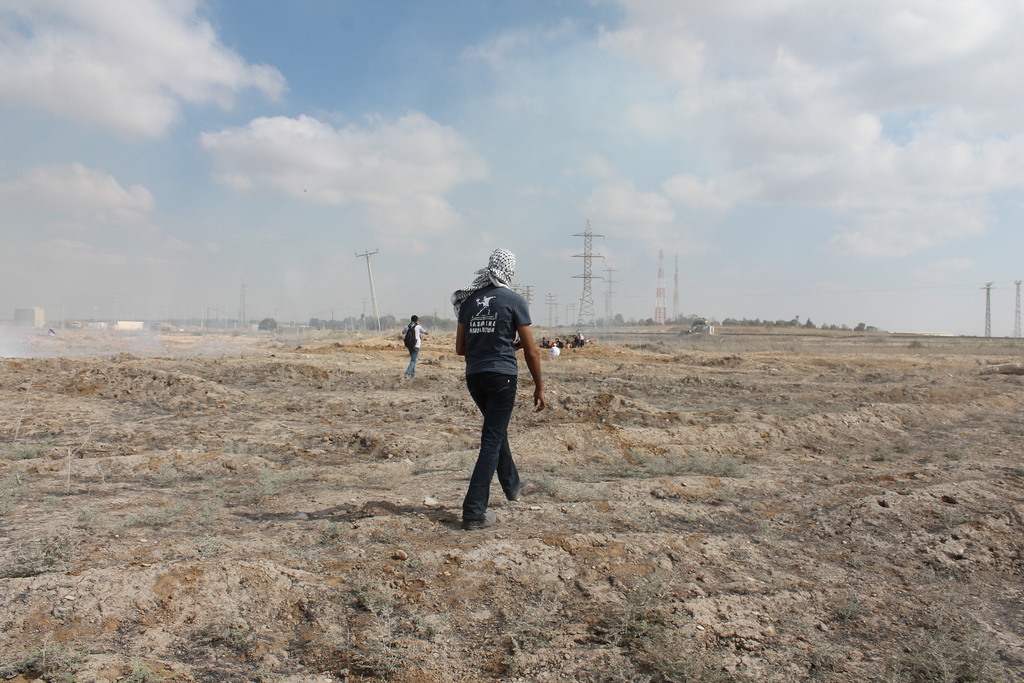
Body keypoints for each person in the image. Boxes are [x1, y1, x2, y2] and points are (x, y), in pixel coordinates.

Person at [452, 248, 546, 530]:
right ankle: (474, 513)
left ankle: (512, 484)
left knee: (496, 431)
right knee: (491, 441)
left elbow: (460, 348)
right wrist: (539, 387)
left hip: (475, 377)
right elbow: (532, 352)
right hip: (502, 379)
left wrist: (499, 344)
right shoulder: (514, 300)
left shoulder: (469, 302)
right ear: (510, 270)